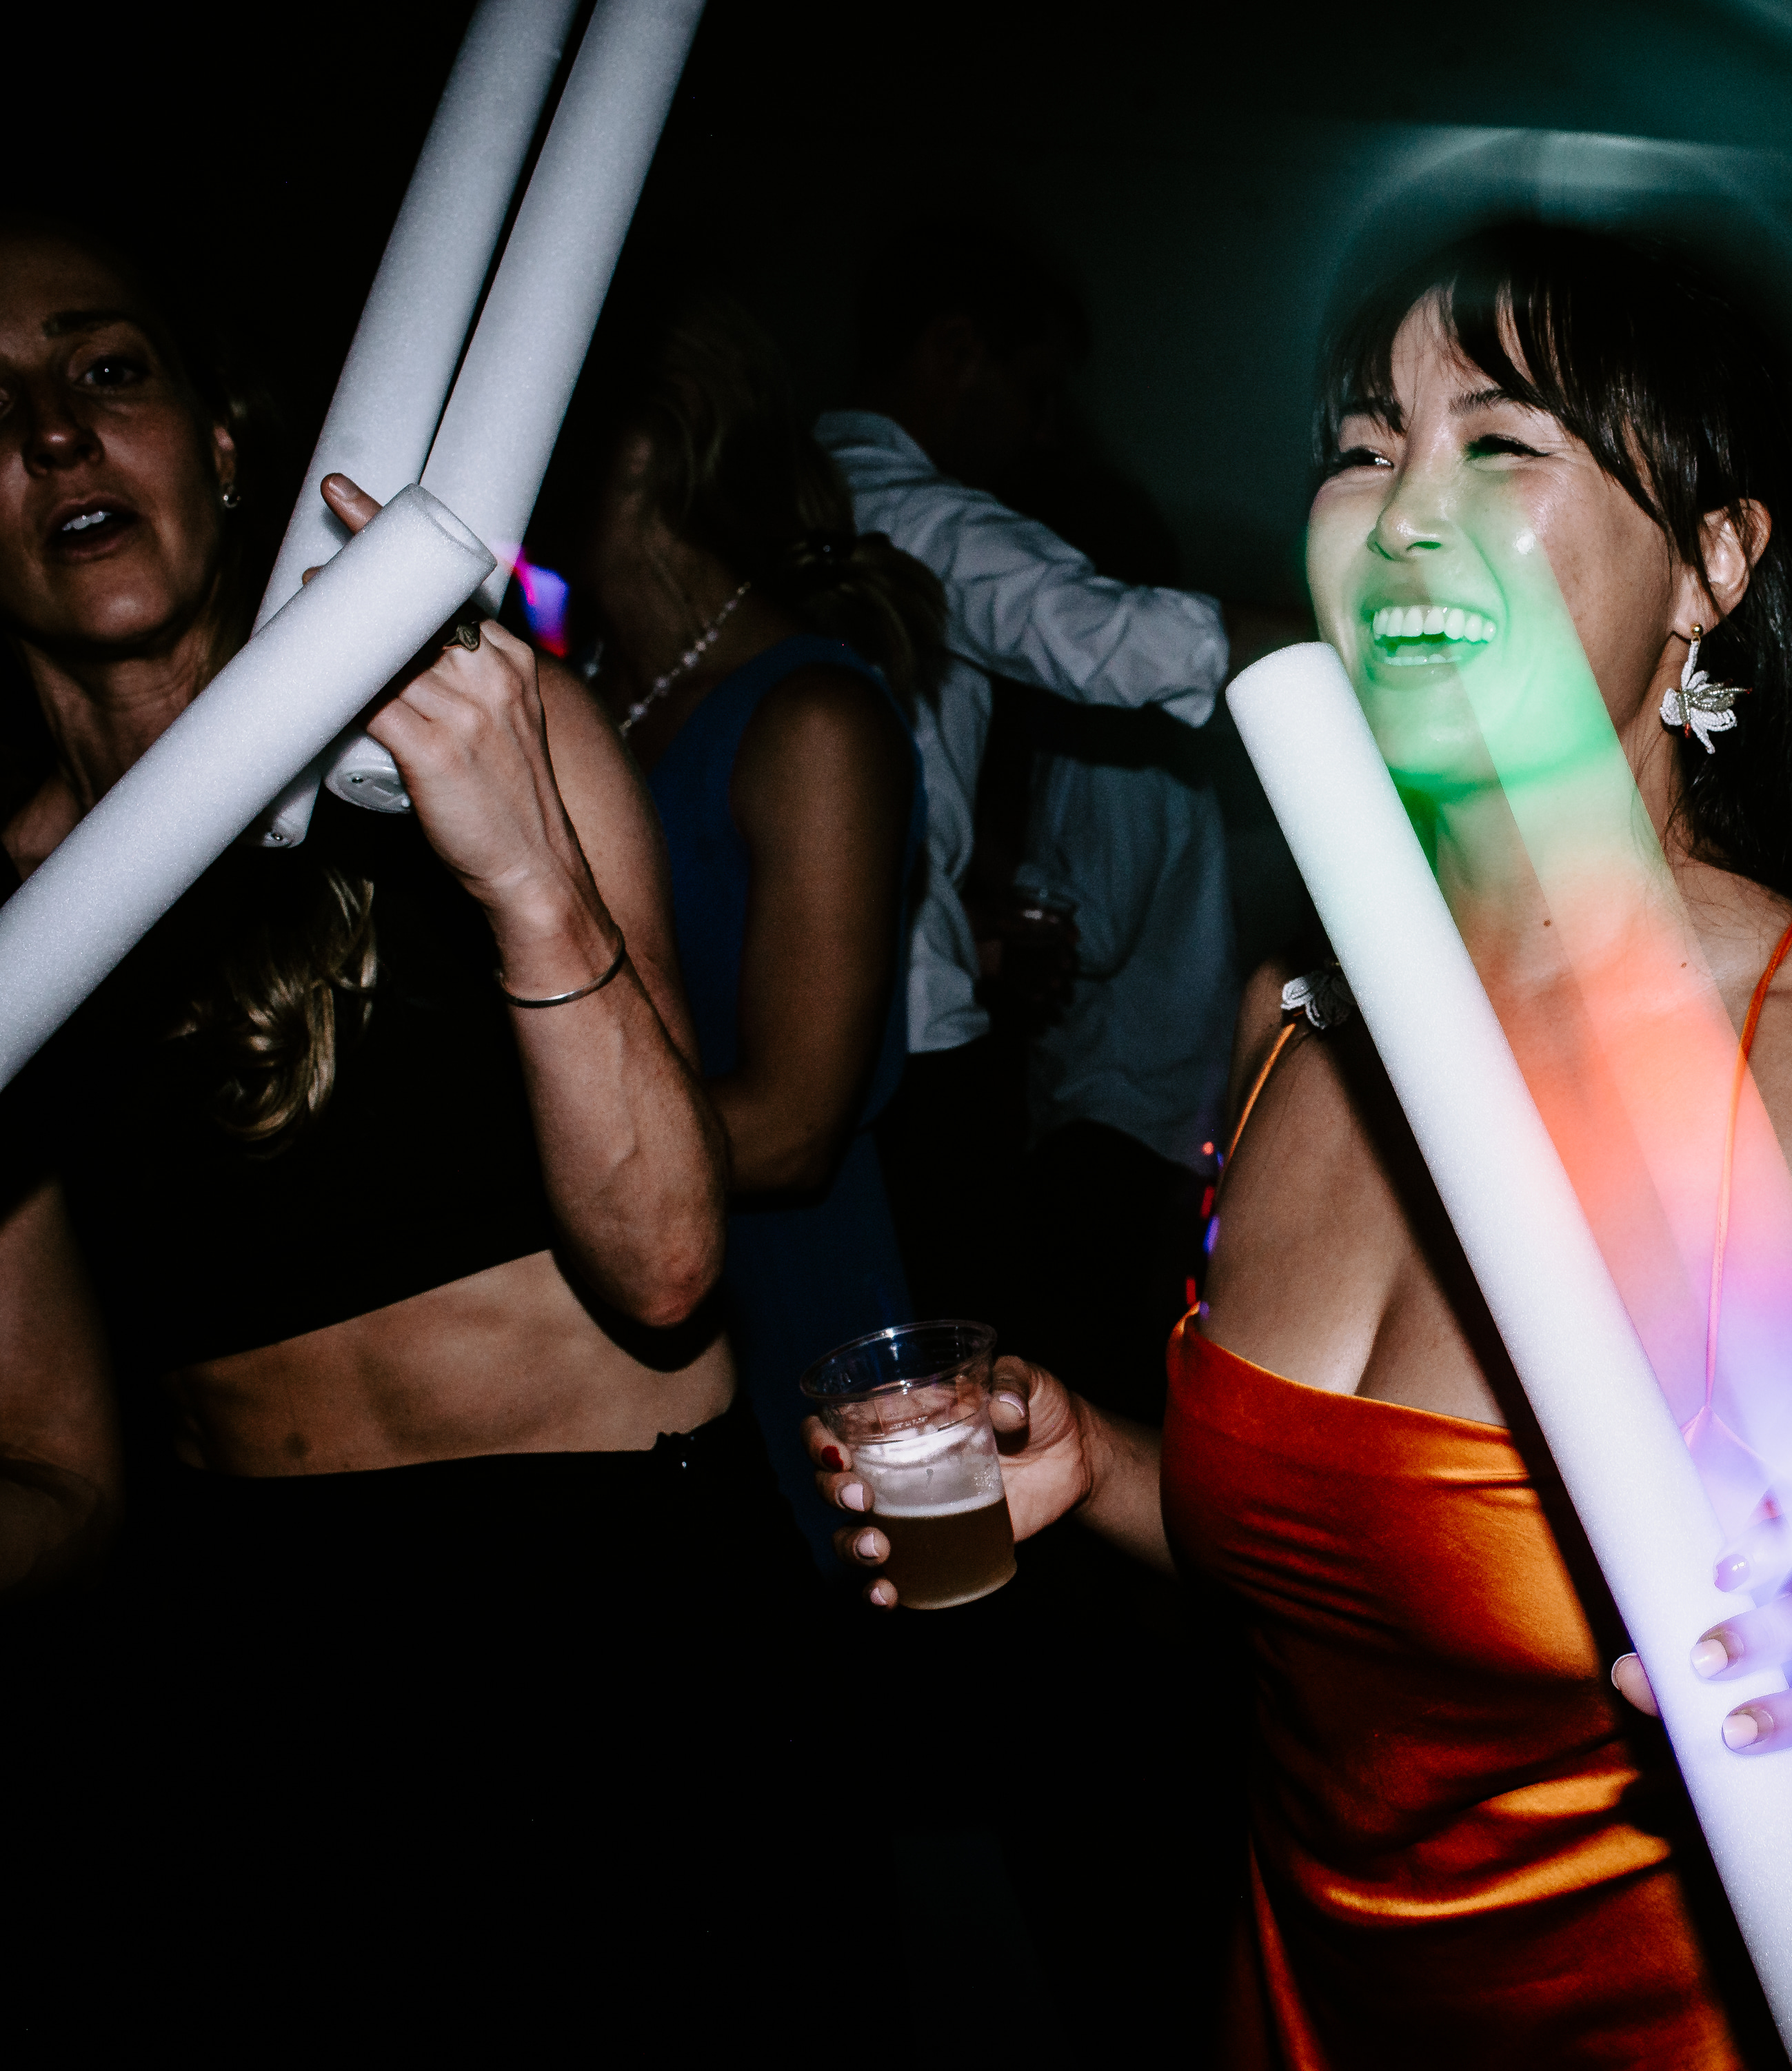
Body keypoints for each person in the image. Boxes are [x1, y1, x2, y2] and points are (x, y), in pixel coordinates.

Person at [811, 224, 1792, 2066]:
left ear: (1713, 563)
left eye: (1500, 442)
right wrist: (1090, 1463)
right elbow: (1350, 1569)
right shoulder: (1294, 1019)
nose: (1404, 510)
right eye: (1361, 446)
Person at [0, 218, 803, 2019]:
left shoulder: (476, 732)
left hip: (605, 1622)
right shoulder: (10, 942)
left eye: (106, 369)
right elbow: (59, 1475)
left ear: (221, 443)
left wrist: (525, 875)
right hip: (253, 1675)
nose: (53, 432)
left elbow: (670, 1266)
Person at [553, 296, 940, 1568]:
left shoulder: (811, 717)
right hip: (586, 1310)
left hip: (781, 1287)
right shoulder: (563, 698)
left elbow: (792, 1125)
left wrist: (488, 1169)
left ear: (641, 445)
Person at [818, 224, 1234, 1348]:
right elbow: (1111, 636)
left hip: (1102, 1116)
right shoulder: (910, 515)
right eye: (1035, 389)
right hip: (933, 1061)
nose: (1040, 429)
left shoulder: (773, 504)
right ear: (955, 352)